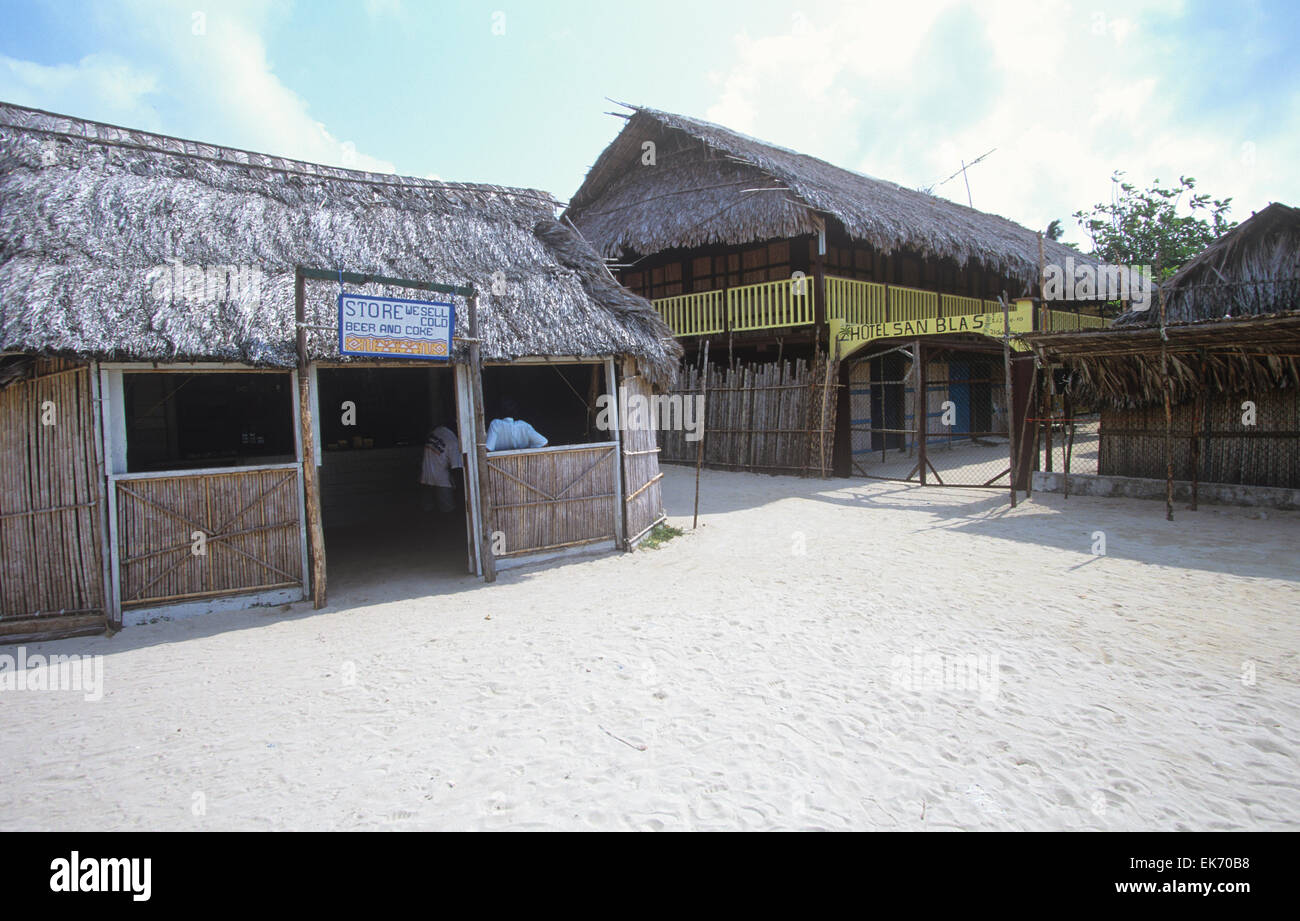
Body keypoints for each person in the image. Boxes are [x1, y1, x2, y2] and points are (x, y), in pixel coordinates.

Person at [419, 422, 462, 514]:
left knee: (428, 512)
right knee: (447, 513)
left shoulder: (435, 432)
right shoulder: (453, 441)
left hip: (426, 478)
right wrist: (460, 490)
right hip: (443, 482)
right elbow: (456, 468)